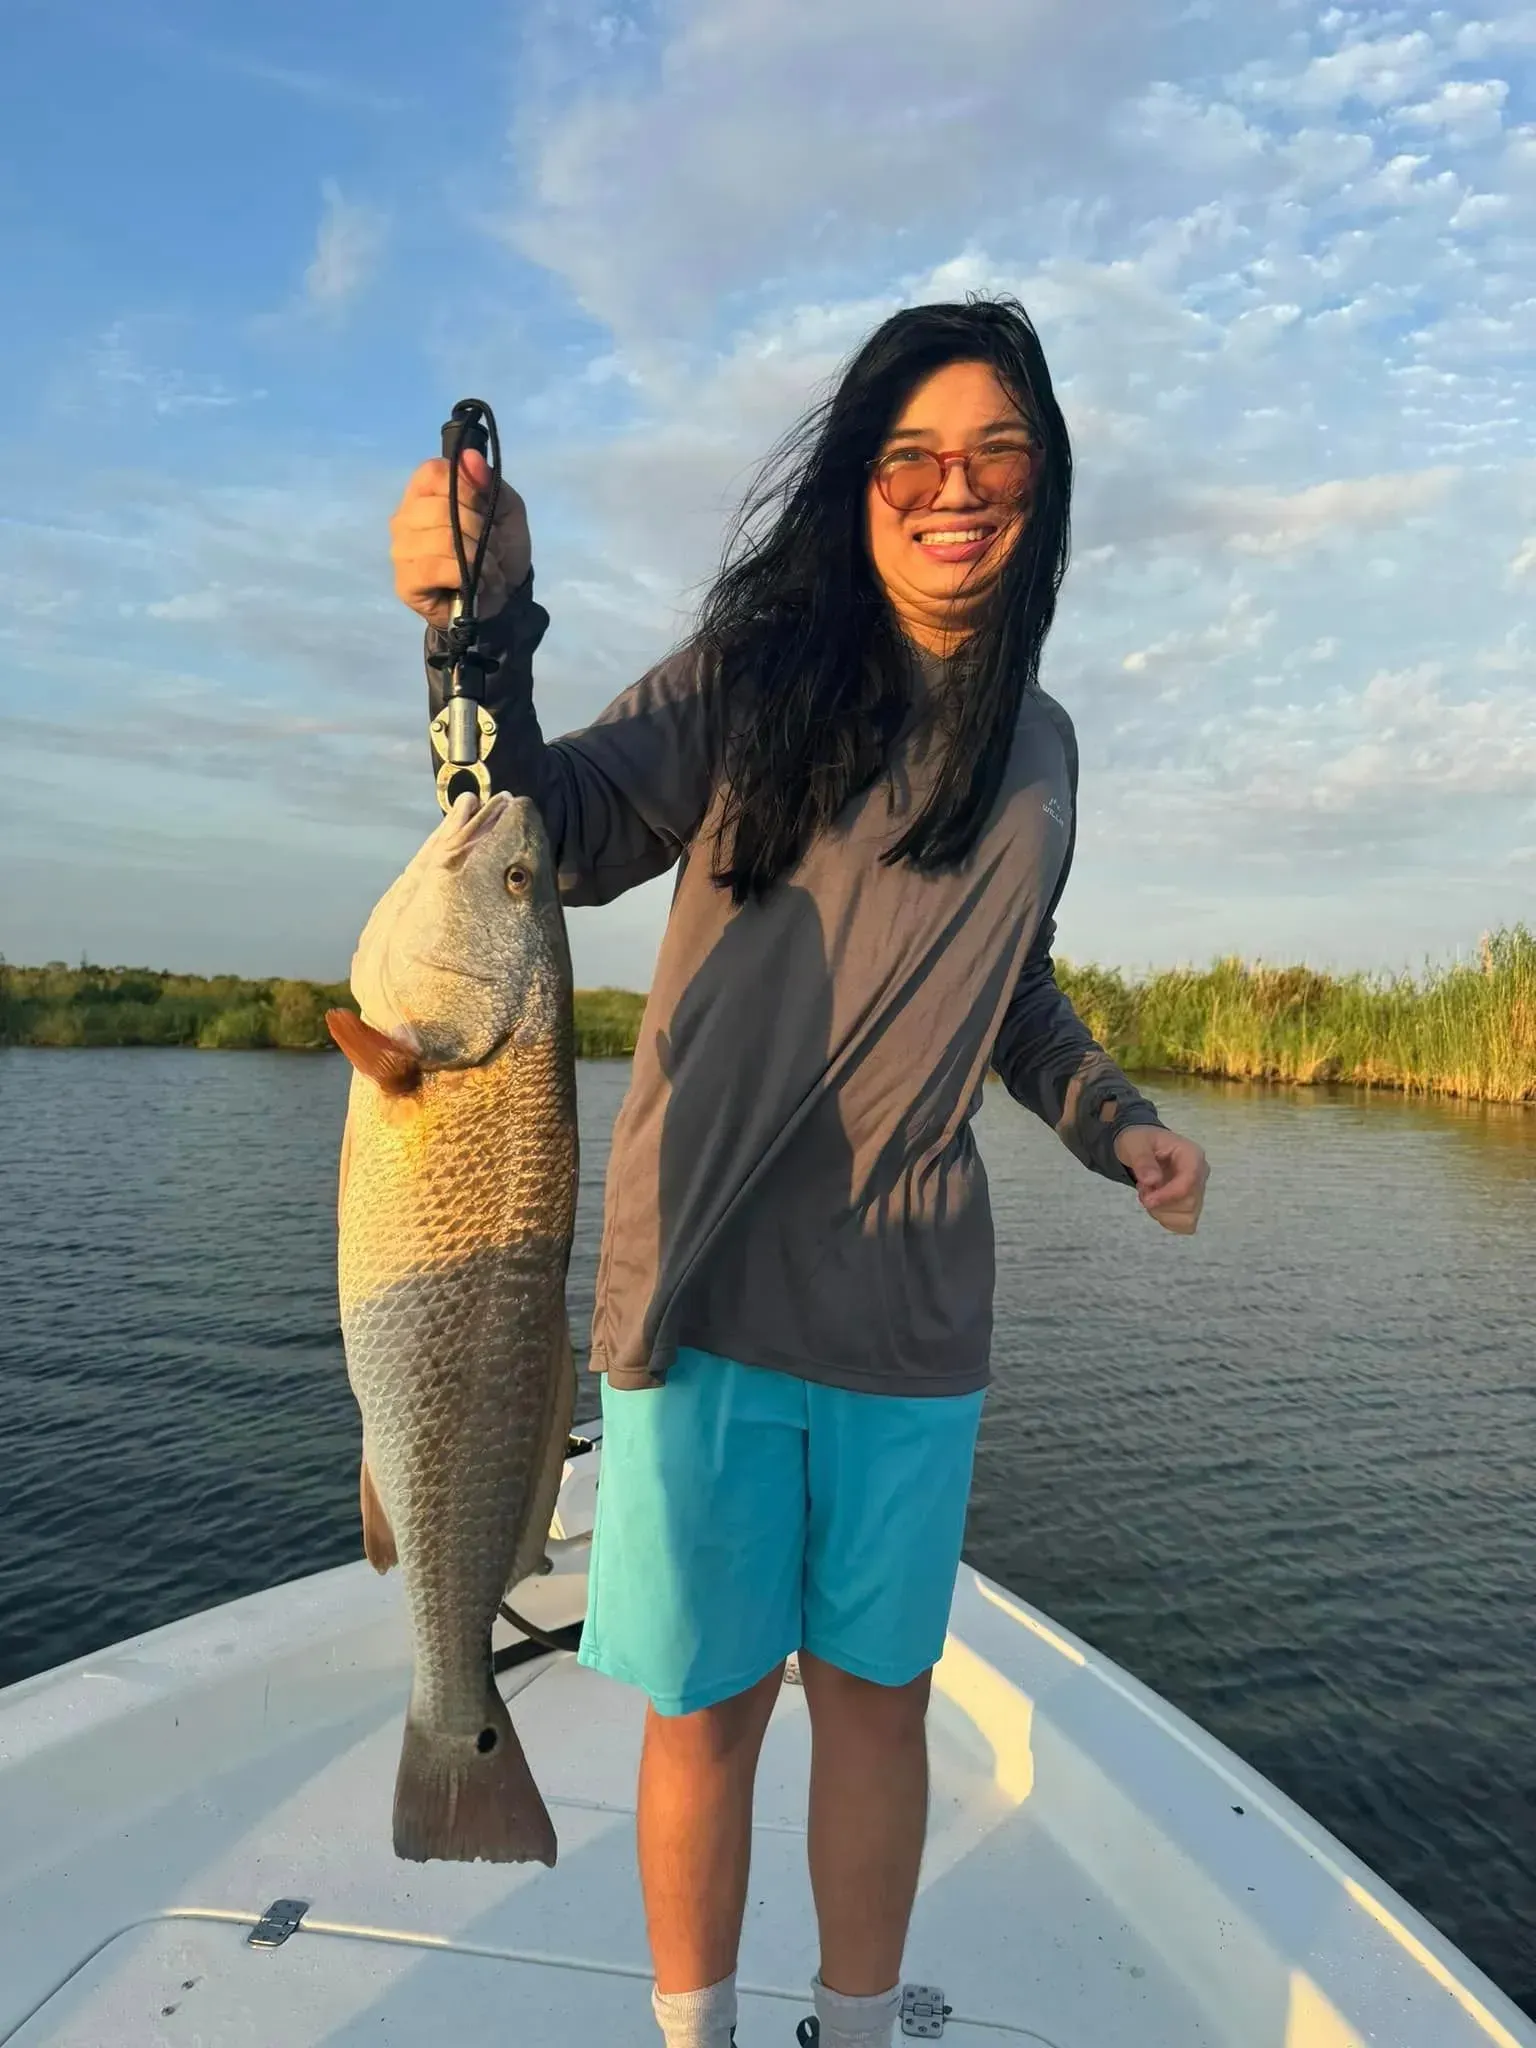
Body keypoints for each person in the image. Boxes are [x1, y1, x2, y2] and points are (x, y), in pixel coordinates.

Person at [389, 297, 1210, 2048]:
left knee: (880, 1707)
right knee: (706, 1712)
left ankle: (856, 2022)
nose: (953, 489)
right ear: (858, 488)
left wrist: (1114, 1118)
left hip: (913, 1319)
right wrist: (478, 632)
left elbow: (1014, 989)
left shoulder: (1046, 746)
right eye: (911, 459)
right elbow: (548, 825)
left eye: (996, 455)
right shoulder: (749, 678)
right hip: (703, 1302)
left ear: (1045, 487)